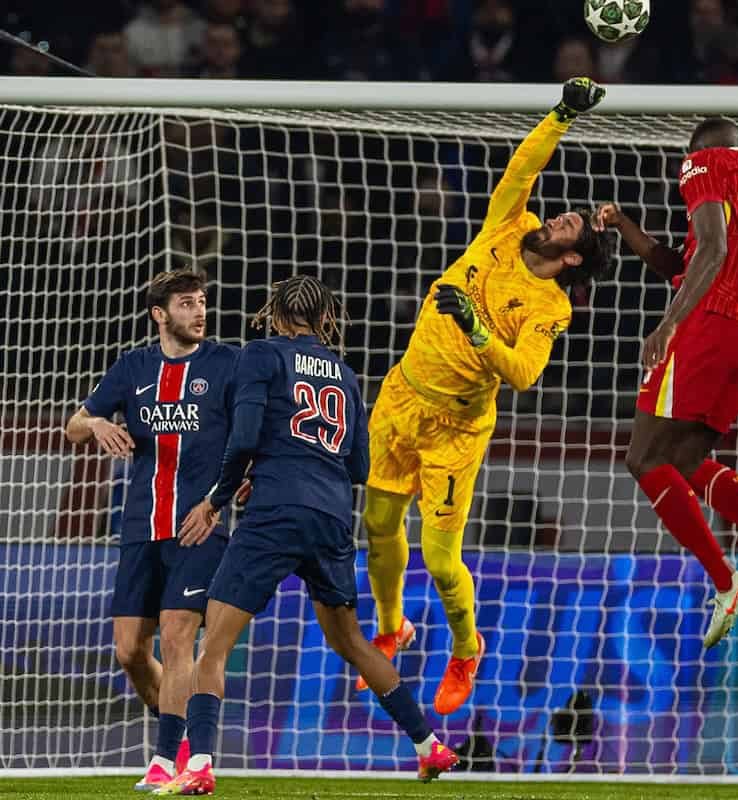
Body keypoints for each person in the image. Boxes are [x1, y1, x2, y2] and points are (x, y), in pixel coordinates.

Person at [359, 78, 614, 714]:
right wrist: (562, 117)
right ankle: (391, 630)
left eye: (571, 224)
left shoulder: (550, 306)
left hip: (456, 427)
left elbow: (525, 373)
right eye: (563, 212)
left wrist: (475, 331)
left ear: (573, 259)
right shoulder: (511, 225)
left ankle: (467, 648)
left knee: (441, 561)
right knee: (377, 526)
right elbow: (522, 166)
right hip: (400, 397)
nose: (558, 216)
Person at [161, 277, 457, 794]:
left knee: (215, 644)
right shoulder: (343, 373)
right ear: (325, 319)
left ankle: (200, 765)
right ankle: (429, 746)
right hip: (331, 516)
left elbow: (246, 435)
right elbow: (360, 465)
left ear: (274, 314)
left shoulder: (261, 355)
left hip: (275, 512)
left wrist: (216, 499)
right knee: (351, 641)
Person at [598, 116, 738, 650]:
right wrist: (624, 223)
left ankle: (727, 581)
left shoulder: (704, 163)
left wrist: (671, 321)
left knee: (643, 459)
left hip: (711, 320)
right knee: (682, 465)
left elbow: (713, 250)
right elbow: (683, 260)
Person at [64, 269, 238, 790]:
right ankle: (181, 738)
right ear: (160, 315)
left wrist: (231, 491)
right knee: (129, 651)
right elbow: (73, 425)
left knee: (180, 635)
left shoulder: (227, 364)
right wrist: (95, 424)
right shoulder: (134, 367)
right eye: (187, 304)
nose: (199, 312)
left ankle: (166, 761)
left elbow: (254, 430)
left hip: (198, 526)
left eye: (202, 302)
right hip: (141, 526)